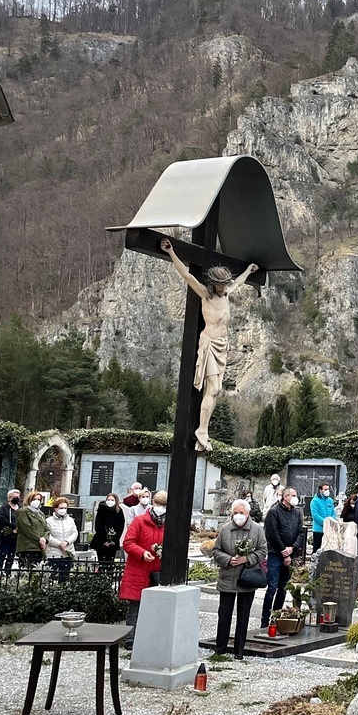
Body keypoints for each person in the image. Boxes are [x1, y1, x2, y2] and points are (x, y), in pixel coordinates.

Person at [160, 237, 258, 451]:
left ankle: (203, 431)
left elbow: (238, 283)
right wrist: (171, 252)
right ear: (213, 284)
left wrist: (248, 271)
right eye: (221, 285)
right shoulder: (206, 295)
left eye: (225, 284)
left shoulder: (227, 294)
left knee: (215, 391)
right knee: (214, 389)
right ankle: (202, 431)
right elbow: (187, 275)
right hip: (210, 344)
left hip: (223, 345)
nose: (224, 288)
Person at [211, 499, 267, 658]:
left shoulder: (257, 530)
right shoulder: (225, 529)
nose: (238, 515)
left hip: (247, 578)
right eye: (235, 513)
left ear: (248, 514)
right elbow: (216, 550)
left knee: (243, 616)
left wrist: (246, 559)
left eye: (241, 513)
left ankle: (239, 651)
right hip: (227, 577)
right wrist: (228, 559)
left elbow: (263, 551)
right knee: (224, 615)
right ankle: (220, 649)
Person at [120, 489, 167, 647]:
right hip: (139, 569)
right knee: (135, 607)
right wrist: (142, 553)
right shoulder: (140, 521)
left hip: (158, 570)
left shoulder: (169, 524)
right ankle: (130, 639)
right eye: (159, 504)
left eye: (164, 505)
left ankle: (150, 639)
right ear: (154, 503)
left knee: (157, 608)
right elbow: (128, 543)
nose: (161, 508)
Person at [260, 487, 305, 629]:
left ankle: (276, 617)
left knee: (283, 588)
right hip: (275, 553)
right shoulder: (274, 512)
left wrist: (293, 548)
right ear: (285, 497)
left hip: (290, 553)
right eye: (293, 495)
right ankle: (264, 620)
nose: (295, 497)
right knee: (272, 587)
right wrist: (283, 551)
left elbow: (301, 532)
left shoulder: (297, 512)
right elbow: (272, 534)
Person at [89, 492, 125, 572]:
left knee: (110, 563)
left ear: (116, 501)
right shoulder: (101, 510)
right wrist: (104, 540)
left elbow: (120, 527)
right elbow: (98, 526)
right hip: (101, 541)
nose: (110, 501)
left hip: (113, 542)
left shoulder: (119, 511)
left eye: (112, 500)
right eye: (108, 499)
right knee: (101, 562)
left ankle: (109, 575)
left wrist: (113, 540)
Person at [44, 498, 77, 581]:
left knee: (65, 578)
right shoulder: (49, 521)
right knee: (51, 578)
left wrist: (67, 542)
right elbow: (47, 535)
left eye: (65, 508)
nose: (63, 510)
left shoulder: (70, 520)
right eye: (61, 508)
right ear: (55, 508)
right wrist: (59, 543)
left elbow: (74, 533)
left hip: (67, 552)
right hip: (54, 553)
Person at [15, 491, 50, 568]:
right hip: (27, 546)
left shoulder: (41, 514)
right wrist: (39, 540)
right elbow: (27, 529)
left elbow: (47, 529)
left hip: (39, 547)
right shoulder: (23, 512)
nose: (37, 501)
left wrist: (44, 538)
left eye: (39, 499)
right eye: (34, 499)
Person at [0, 489, 21, 574]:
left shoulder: (20, 508)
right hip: (5, 536)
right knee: (2, 554)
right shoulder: (4, 508)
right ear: (9, 498)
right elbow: (2, 519)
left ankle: (7, 572)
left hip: (15, 537)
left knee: (11, 555)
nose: (17, 498)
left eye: (18, 497)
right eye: (15, 497)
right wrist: (12, 526)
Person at [310, 482, 335, 553]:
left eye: (328, 489)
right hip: (319, 530)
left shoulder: (330, 500)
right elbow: (315, 515)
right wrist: (325, 522)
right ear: (320, 490)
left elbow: (333, 513)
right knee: (317, 549)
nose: (327, 491)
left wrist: (332, 521)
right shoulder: (315, 501)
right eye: (325, 489)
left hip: (329, 530)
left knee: (328, 549)